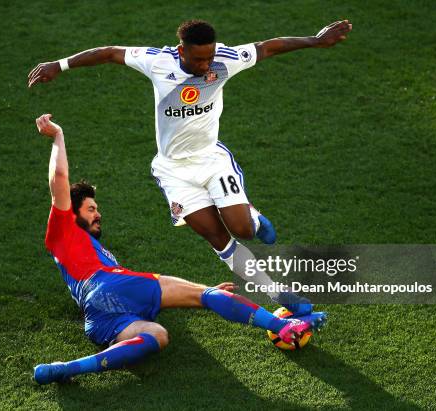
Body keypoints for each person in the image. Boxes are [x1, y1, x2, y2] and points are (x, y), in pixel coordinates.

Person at [27, 19, 352, 314]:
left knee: (241, 229)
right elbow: (111, 53)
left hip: (211, 160)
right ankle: (279, 294)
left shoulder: (224, 60)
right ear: (182, 50)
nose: (206, 64)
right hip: (173, 172)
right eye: (198, 59)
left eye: (209, 57)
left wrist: (316, 40)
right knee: (218, 239)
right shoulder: (159, 62)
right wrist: (61, 64)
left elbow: (268, 47)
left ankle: (252, 217)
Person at [32, 113, 326, 384]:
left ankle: (67, 368)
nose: (97, 215)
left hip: (96, 314)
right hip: (111, 284)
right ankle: (284, 325)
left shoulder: (78, 247)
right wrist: (57, 136)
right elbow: (58, 178)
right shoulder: (64, 225)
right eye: (91, 209)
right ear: (72, 211)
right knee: (207, 297)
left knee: (157, 336)